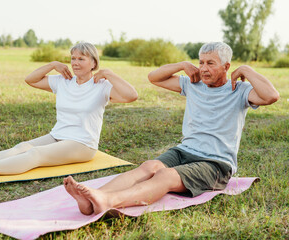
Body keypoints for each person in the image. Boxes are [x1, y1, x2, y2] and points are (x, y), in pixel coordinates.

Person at [64, 42, 280, 215]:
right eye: (201, 62)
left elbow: (271, 96)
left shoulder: (239, 90)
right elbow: (154, 77)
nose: (203, 68)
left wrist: (246, 69)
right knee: (149, 167)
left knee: (165, 177)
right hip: (184, 151)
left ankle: (108, 201)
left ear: (226, 67)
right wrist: (182, 65)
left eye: (211, 63)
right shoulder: (192, 84)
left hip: (215, 163)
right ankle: (92, 196)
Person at [0, 42, 138, 182]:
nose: (75, 63)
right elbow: (30, 79)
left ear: (94, 62)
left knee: (36, 154)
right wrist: (52, 65)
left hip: (82, 144)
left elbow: (131, 95)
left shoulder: (101, 86)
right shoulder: (63, 81)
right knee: (22, 146)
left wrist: (110, 73)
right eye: (73, 58)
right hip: (57, 136)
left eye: (81, 59)